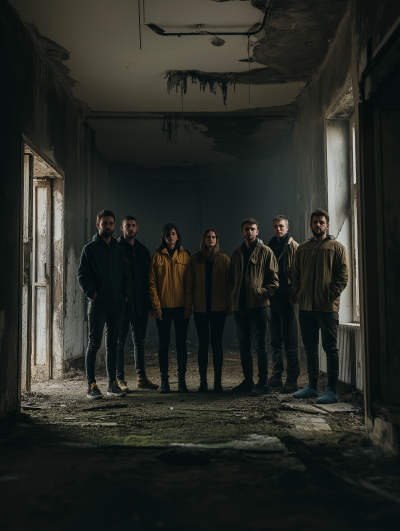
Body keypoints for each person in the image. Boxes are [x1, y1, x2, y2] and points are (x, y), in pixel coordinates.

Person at [291, 208, 348, 404]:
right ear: (311, 224)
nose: (317, 225)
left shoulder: (337, 247)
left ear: (327, 225)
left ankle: (332, 390)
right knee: (310, 347)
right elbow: (295, 274)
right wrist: (299, 294)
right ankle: (312, 387)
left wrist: (330, 296)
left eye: (321, 222)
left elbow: (343, 276)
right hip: (306, 307)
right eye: (314, 222)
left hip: (327, 308)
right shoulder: (302, 249)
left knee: (330, 348)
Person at [78, 209, 130, 399]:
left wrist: (124, 295)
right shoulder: (89, 249)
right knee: (93, 344)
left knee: (113, 345)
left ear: (114, 226)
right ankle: (91, 386)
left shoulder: (118, 249)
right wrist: (93, 294)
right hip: (98, 305)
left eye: (110, 223)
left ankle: (112, 384)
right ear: (98, 225)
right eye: (104, 223)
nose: (107, 226)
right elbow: (82, 275)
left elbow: (125, 275)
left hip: (117, 305)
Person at [227, 218, 279, 396]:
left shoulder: (266, 252)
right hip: (240, 308)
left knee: (261, 346)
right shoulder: (236, 254)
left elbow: (274, 281)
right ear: (242, 232)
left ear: (258, 232)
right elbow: (230, 280)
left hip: (259, 307)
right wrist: (233, 296)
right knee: (244, 346)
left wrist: (261, 292)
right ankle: (248, 381)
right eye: (246, 229)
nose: (249, 232)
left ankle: (263, 383)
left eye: (253, 229)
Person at [148, 223, 192, 394]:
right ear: (164, 237)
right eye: (168, 234)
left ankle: (182, 382)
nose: (171, 237)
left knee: (181, 344)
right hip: (163, 308)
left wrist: (188, 305)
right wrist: (156, 306)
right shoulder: (157, 257)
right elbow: (152, 284)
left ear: (177, 236)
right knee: (163, 344)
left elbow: (189, 283)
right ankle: (164, 381)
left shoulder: (185, 256)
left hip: (181, 307)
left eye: (173, 234)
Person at [116, 216, 158, 392]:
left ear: (137, 228)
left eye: (133, 226)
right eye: (127, 226)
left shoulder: (143, 250)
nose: (131, 229)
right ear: (122, 228)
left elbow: (148, 280)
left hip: (140, 305)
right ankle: (119, 379)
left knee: (139, 342)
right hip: (123, 305)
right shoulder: (116, 249)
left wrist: (149, 304)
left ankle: (141, 378)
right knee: (119, 343)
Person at [190, 229, 233, 393]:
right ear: (203, 240)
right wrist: (190, 305)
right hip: (200, 309)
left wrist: (230, 305)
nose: (211, 239)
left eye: (213, 237)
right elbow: (191, 284)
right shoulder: (195, 259)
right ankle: (203, 382)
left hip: (218, 308)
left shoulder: (223, 259)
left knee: (217, 344)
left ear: (216, 240)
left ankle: (217, 382)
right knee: (203, 345)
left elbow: (229, 285)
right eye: (208, 237)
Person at [267, 215, 300, 394]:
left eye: (281, 226)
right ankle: (277, 375)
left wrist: (292, 298)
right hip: (272, 300)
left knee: (290, 341)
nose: (278, 229)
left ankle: (292, 379)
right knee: (274, 340)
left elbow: (298, 275)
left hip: (287, 300)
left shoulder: (295, 247)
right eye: (275, 226)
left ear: (287, 227)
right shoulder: (269, 246)